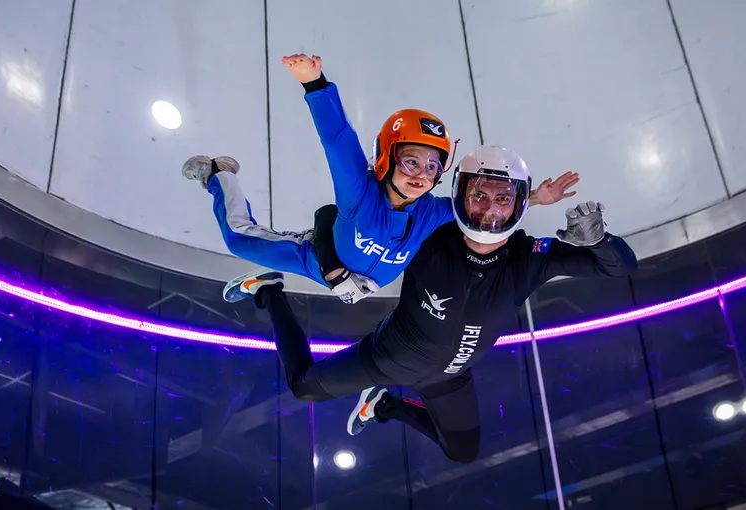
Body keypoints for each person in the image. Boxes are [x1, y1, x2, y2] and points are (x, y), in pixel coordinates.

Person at [223, 145, 638, 463]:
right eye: (479, 195)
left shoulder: (531, 257)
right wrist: (332, 268)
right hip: (385, 358)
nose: (488, 210)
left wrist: (599, 239)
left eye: (502, 200)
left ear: (517, 205)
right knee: (304, 388)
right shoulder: (429, 233)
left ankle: (384, 405)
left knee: (462, 452)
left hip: (449, 379)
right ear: (459, 195)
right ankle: (269, 291)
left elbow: (620, 266)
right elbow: (331, 215)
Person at [183, 53, 579, 304]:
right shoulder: (360, 192)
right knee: (238, 240)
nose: (422, 175)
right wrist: (315, 84)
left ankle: (265, 283)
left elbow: (482, 209)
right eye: (411, 162)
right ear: (388, 159)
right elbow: (338, 141)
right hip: (314, 259)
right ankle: (220, 173)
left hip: (352, 285)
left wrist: (536, 199)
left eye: (432, 167)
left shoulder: (435, 212)